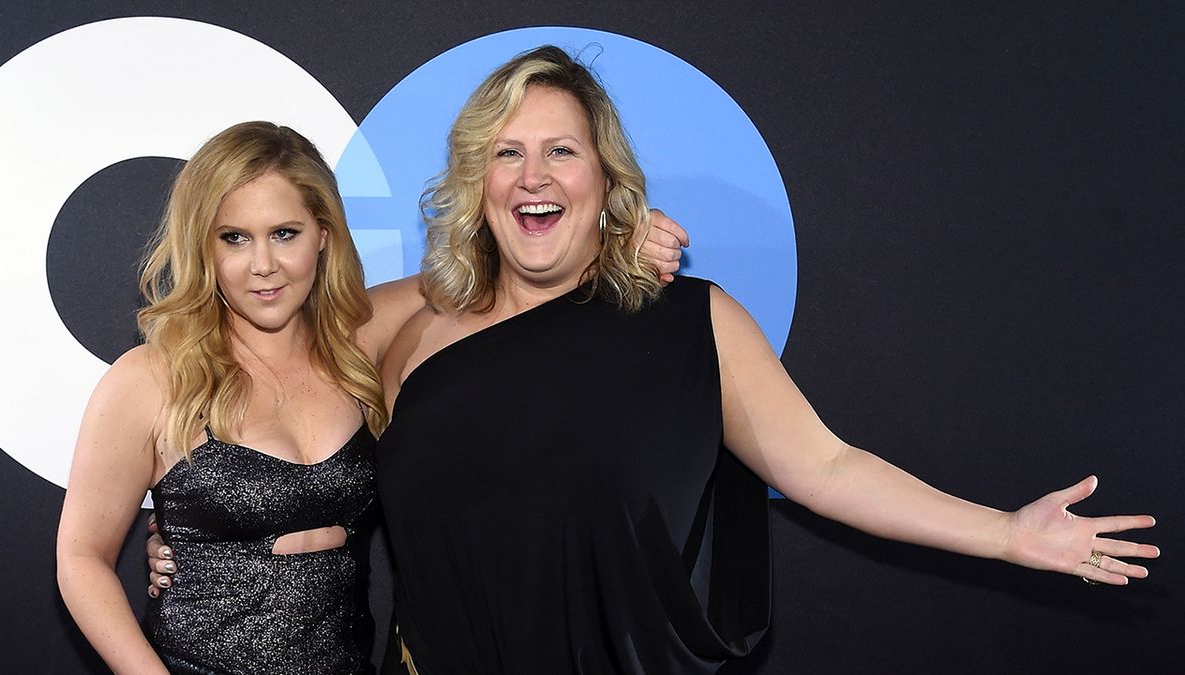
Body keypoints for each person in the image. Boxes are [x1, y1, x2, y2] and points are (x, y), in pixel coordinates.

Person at [367, 46, 1160, 674]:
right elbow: (294, 329)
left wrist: (1006, 533)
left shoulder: (689, 324)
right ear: (477, 180)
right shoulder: (415, 328)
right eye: (507, 152)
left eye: (561, 151)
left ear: (606, 180)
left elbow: (828, 467)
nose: (533, 176)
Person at [57, 119, 687, 674]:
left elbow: (505, 270)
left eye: (284, 233)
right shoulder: (152, 379)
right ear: (203, 245)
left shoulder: (358, 341)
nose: (263, 264)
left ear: (323, 234)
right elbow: (81, 558)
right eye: (234, 238)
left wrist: (614, 238)